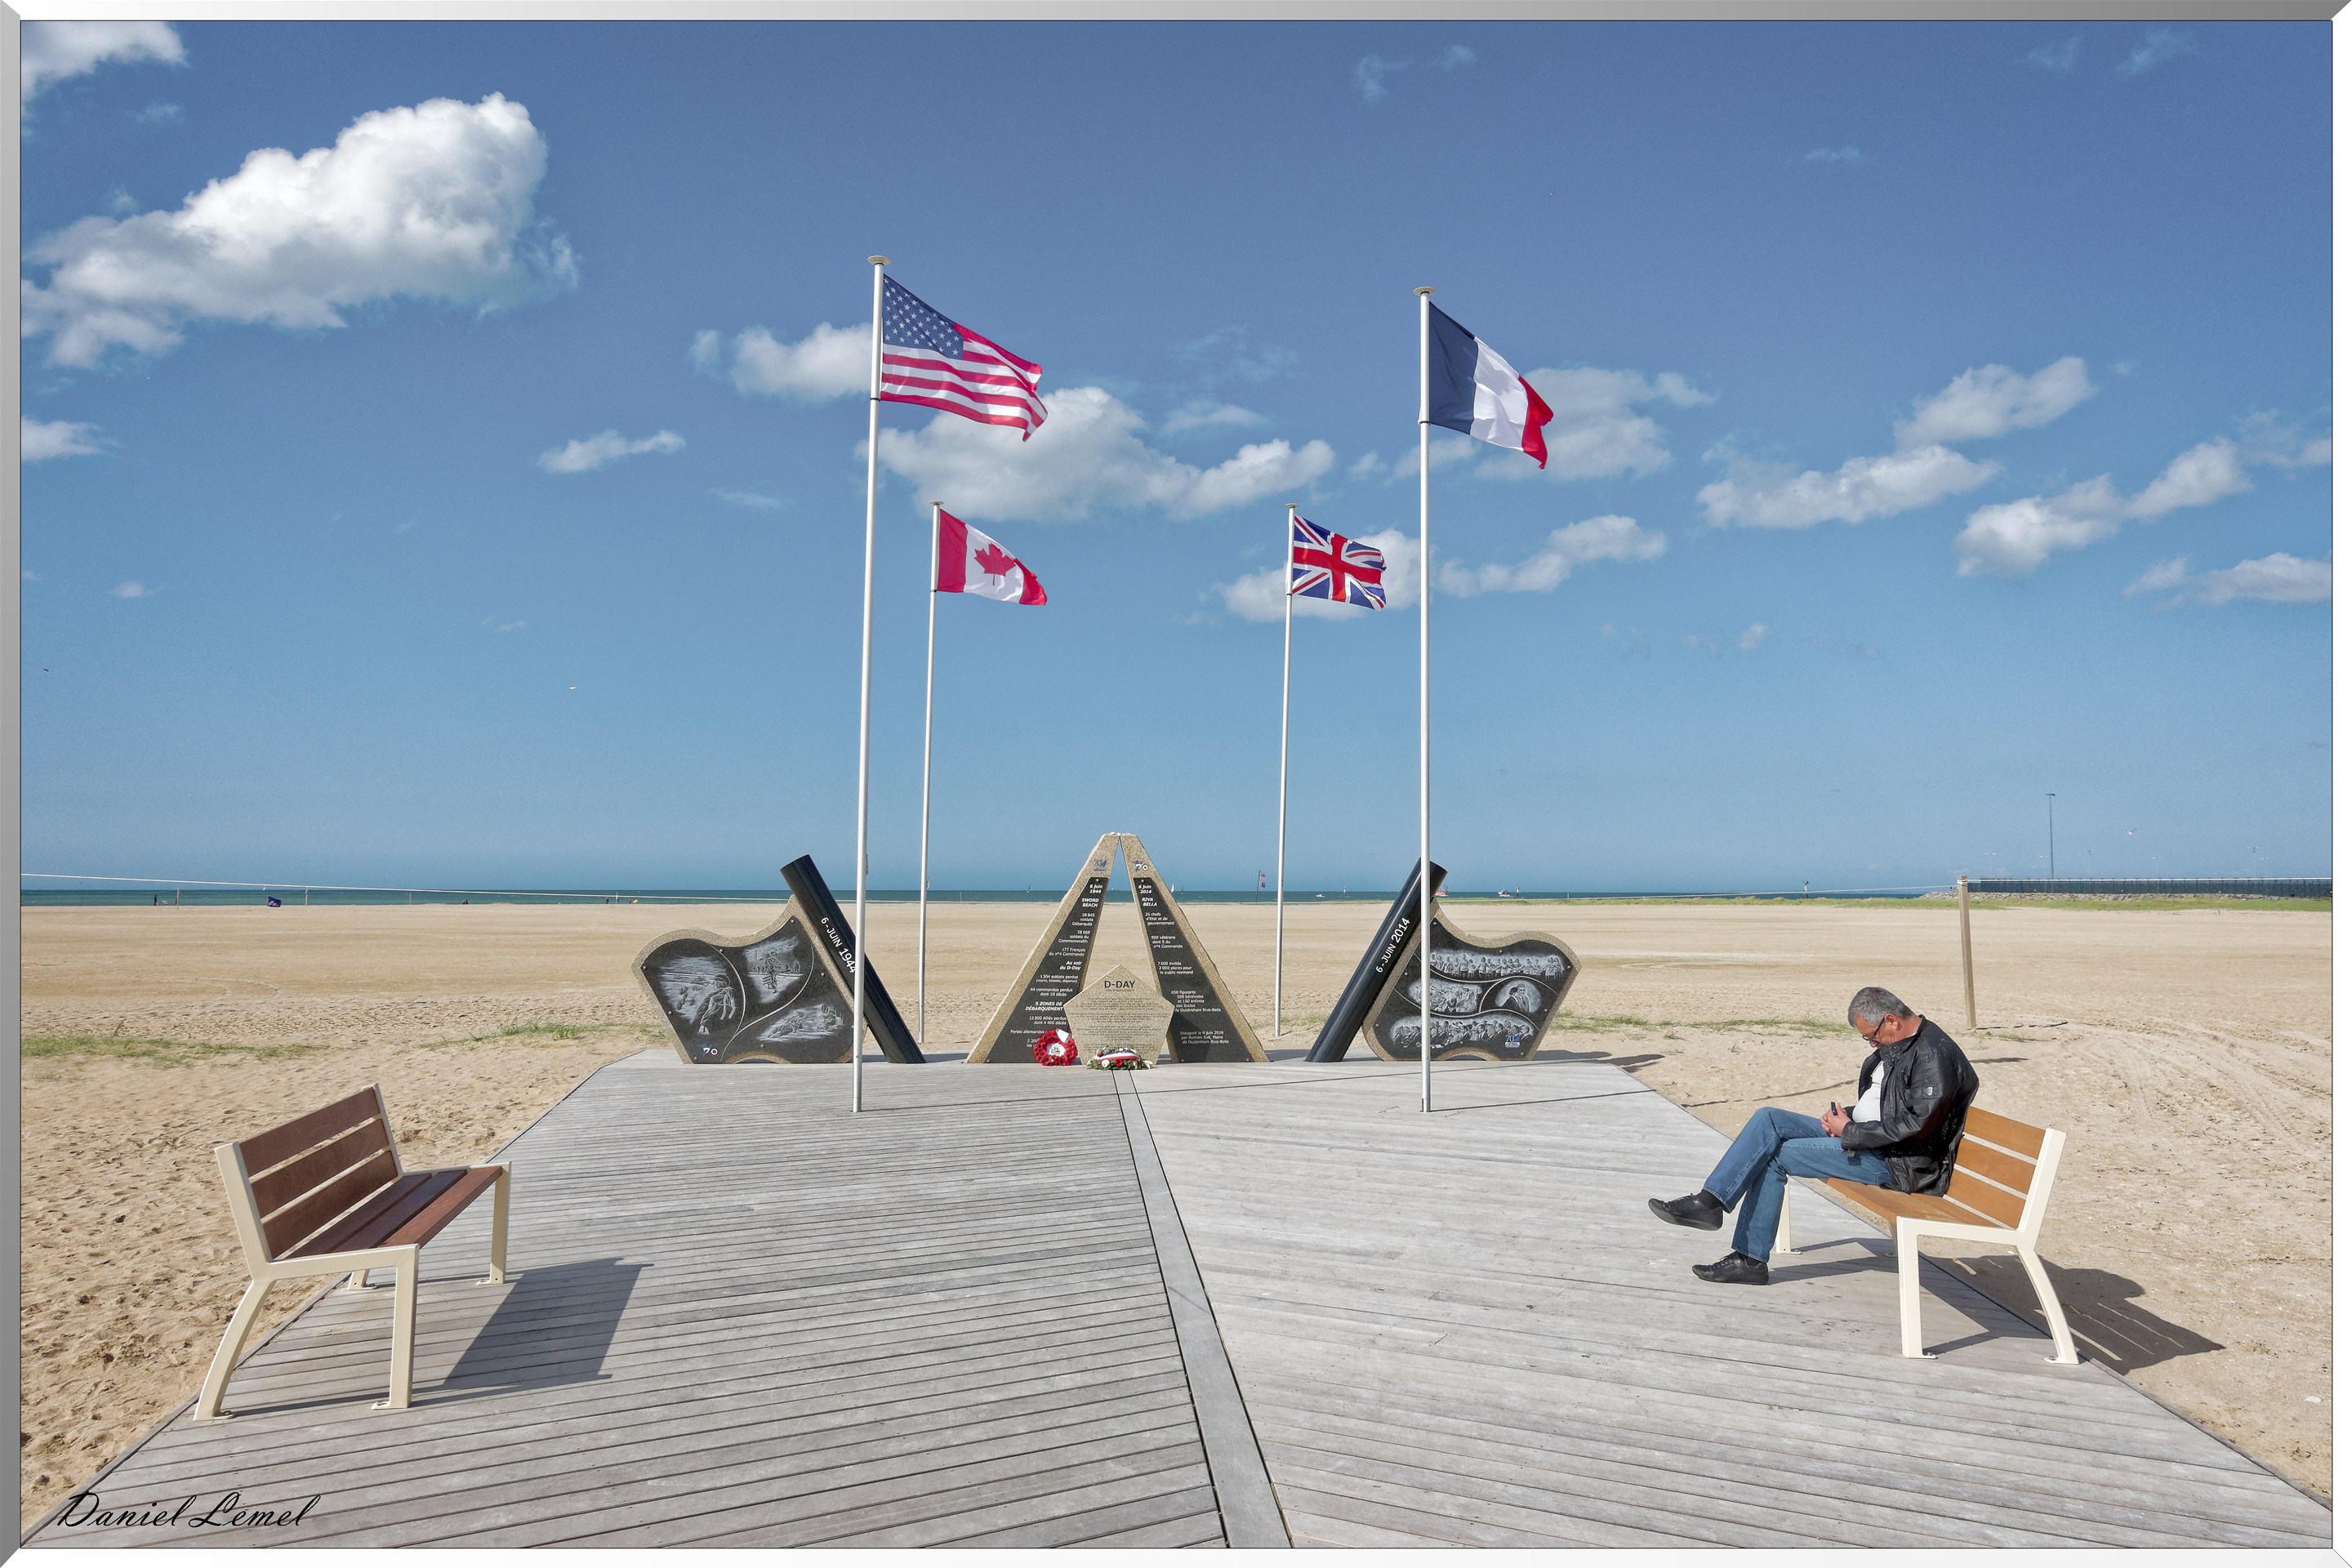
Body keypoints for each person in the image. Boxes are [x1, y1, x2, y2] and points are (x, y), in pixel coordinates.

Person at [1649, 986, 1978, 1285]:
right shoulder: (1903, 1042)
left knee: (1778, 1155)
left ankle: (1749, 1260)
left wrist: (1848, 1130)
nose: (1872, 1044)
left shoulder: (1933, 1056)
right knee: (1769, 1120)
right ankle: (1710, 1202)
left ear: (1891, 1020)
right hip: (1867, 1138)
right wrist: (1847, 1116)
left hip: (1899, 1164)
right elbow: (1888, 1101)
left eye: (1871, 1037)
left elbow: (1917, 1127)